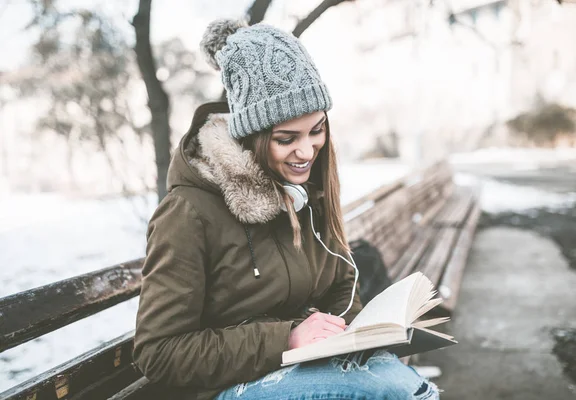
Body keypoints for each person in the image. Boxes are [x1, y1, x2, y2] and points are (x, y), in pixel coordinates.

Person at [133, 19, 439, 400]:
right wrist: (288, 337)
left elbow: (341, 283)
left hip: (297, 365)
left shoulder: (304, 190)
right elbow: (159, 353)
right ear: (251, 136)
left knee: (409, 387)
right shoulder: (188, 213)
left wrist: (353, 336)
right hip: (225, 387)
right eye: (286, 138)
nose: (308, 151)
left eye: (317, 130)